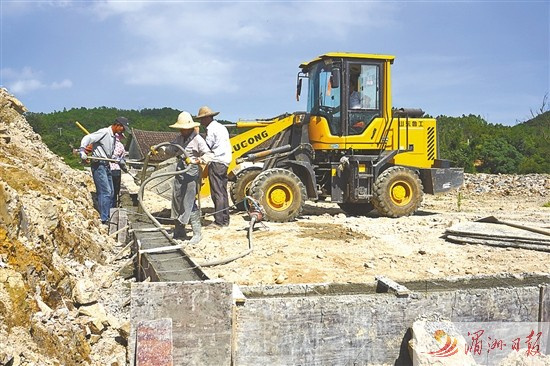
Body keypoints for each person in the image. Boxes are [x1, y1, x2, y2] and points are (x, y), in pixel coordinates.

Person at [164, 111, 214, 244]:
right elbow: (172, 149)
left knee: (189, 201)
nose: (182, 130)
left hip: (191, 172)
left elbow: (209, 155)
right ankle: (179, 230)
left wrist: (196, 161)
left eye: (183, 128)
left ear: (190, 128)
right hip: (180, 171)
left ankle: (197, 233)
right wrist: (161, 149)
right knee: (177, 199)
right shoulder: (180, 138)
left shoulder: (197, 139)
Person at [79, 117, 130, 225]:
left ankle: (107, 216)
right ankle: (104, 219)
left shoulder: (112, 137)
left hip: (106, 165)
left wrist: (118, 161)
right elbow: (88, 137)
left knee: (111, 192)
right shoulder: (104, 132)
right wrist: (82, 150)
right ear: (117, 125)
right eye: (122, 128)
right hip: (99, 165)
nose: (123, 131)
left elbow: (109, 153)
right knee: (105, 191)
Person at [195, 106, 232, 227]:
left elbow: (207, 146)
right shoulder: (221, 127)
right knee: (222, 191)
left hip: (216, 161)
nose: (201, 122)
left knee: (217, 192)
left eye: (202, 119)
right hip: (225, 161)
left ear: (207, 118)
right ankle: (225, 219)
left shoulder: (211, 129)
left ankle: (219, 221)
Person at [109, 132, 127, 208]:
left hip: (107, 168)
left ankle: (108, 206)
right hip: (116, 169)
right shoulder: (121, 146)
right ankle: (113, 206)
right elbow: (123, 158)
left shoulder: (108, 143)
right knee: (116, 189)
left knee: (108, 189)